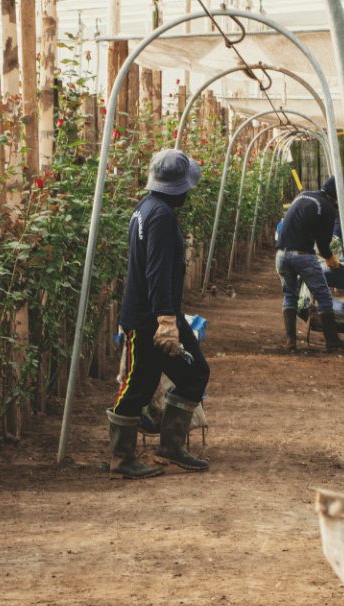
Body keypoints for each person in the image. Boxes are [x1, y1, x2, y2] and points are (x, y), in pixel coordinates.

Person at [107, 149, 210, 480]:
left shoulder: (146, 207)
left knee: (195, 375)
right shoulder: (161, 216)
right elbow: (156, 271)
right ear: (178, 187)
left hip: (161, 314)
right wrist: (165, 322)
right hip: (149, 319)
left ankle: (171, 446)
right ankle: (121, 459)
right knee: (138, 387)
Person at [275, 176, 344, 352]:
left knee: (290, 296)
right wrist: (331, 259)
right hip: (302, 256)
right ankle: (332, 341)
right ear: (336, 195)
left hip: (280, 255)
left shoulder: (303, 195)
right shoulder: (328, 208)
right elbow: (323, 246)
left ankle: (290, 341)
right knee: (323, 296)